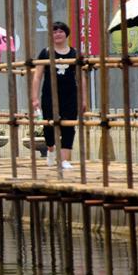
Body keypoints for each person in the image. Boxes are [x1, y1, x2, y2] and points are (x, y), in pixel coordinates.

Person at [31, 21, 89, 170]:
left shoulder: (75, 54)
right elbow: (37, 76)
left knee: (69, 127)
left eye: (60, 31)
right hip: (50, 95)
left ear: (66, 34)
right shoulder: (45, 53)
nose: (57, 34)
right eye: (54, 31)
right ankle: (51, 149)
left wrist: (84, 99)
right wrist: (34, 97)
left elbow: (81, 77)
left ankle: (64, 160)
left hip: (70, 95)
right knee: (49, 126)